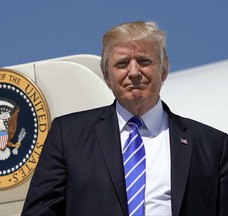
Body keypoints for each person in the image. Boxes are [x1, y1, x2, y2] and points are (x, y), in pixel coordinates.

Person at [21, 21, 228, 216]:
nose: (134, 72)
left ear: (164, 70)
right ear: (106, 76)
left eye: (144, 61)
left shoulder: (213, 145)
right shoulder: (68, 136)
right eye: (122, 64)